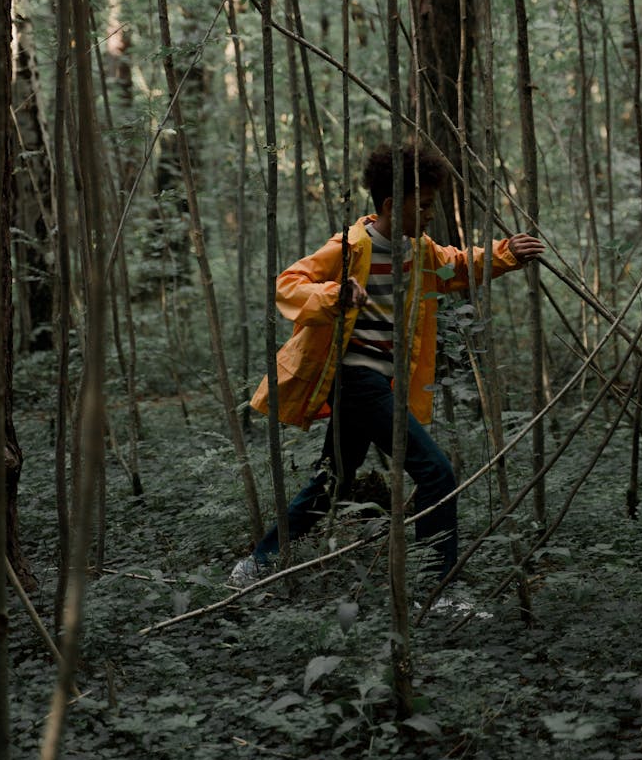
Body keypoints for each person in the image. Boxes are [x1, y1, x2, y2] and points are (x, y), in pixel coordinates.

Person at [231, 143, 544, 586]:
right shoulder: (350, 246)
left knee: (333, 482)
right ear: (392, 205)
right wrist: (333, 294)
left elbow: (457, 266)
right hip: (356, 379)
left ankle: (256, 564)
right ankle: (439, 589)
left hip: (378, 383)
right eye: (427, 204)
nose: (432, 213)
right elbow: (289, 284)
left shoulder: (418, 251)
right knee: (436, 472)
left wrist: (506, 252)